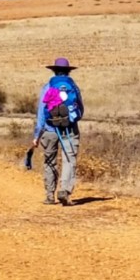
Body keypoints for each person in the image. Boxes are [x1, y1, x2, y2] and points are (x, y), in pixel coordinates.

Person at [27, 56, 84, 206]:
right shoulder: (74, 87)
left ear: (54, 71)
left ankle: (50, 195)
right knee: (69, 160)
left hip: (49, 129)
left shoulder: (47, 87)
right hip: (69, 128)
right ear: (68, 72)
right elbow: (81, 109)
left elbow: (41, 113)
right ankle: (65, 190)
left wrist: (36, 135)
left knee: (49, 161)